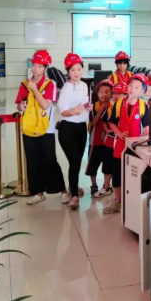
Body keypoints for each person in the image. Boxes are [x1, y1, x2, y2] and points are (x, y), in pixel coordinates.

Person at [15, 50, 66, 205]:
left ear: (45, 68)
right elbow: (18, 104)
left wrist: (35, 89)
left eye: (39, 66)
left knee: (50, 160)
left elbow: (45, 105)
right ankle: (38, 192)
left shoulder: (50, 84)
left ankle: (63, 190)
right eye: (34, 65)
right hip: (29, 128)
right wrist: (20, 106)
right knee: (33, 160)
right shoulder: (24, 85)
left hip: (46, 129)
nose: (35, 69)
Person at [106, 74, 150, 214]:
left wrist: (146, 139)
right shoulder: (119, 103)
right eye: (131, 85)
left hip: (136, 148)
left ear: (143, 91)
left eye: (137, 87)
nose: (132, 89)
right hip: (120, 145)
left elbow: (147, 128)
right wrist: (119, 133)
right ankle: (118, 202)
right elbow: (112, 122)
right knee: (117, 174)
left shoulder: (143, 106)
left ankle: (133, 203)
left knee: (134, 174)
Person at [56, 53, 91, 210]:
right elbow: (63, 111)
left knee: (76, 163)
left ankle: (73, 186)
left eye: (79, 69)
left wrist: (88, 107)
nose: (76, 72)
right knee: (75, 161)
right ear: (68, 72)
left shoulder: (84, 85)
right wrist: (73, 112)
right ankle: (74, 196)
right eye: (72, 70)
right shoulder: (66, 88)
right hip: (67, 129)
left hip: (81, 128)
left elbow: (84, 103)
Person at [86, 80, 114, 198]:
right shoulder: (94, 106)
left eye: (107, 92)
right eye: (101, 92)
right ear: (97, 93)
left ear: (112, 93)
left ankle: (106, 185)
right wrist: (101, 109)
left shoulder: (114, 105)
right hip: (96, 140)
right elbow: (93, 122)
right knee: (93, 164)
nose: (104, 95)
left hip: (109, 141)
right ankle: (94, 185)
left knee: (108, 164)